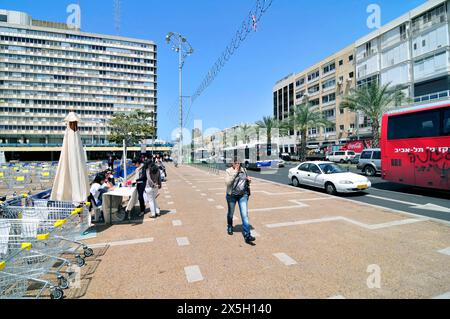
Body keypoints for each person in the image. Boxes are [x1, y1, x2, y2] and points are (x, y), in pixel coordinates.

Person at [225, 159, 255, 245]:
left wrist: (248, 180)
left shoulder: (244, 170)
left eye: (239, 163)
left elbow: (246, 181)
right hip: (232, 196)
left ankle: (247, 235)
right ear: (232, 163)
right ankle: (230, 226)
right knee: (231, 213)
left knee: (244, 215)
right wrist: (235, 172)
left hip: (243, 195)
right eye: (236, 163)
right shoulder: (228, 171)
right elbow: (227, 183)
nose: (238, 164)